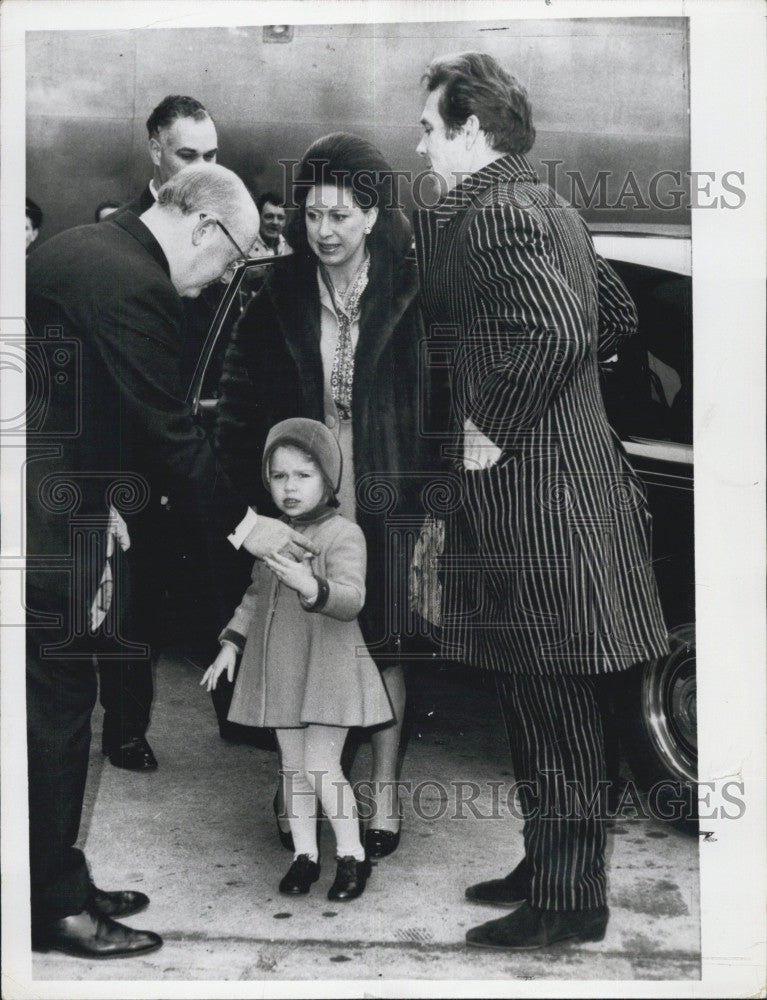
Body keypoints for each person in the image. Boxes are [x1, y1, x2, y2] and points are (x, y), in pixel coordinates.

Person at [26, 163, 318, 959]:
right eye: (229, 259)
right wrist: (247, 526)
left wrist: (109, 499)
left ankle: (51, 876)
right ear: (203, 227)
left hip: (54, 498)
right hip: (40, 527)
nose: (216, 280)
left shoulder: (80, 247)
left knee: (45, 707)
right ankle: (53, 908)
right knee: (54, 711)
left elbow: (79, 397)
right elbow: (168, 430)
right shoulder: (135, 285)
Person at [412, 52, 670, 950]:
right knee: (546, 696)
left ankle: (566, 903)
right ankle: (553, 862)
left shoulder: (493, 214)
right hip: (570, 492)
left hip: (535, 506)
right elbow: (614, 314)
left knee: (549, 700)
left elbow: (558, 327)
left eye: (429, 128)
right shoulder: (546, 202)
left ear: (471, 132)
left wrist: (494, 422)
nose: (420, 146)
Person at [214, 132, 434, 859]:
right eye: (311, 216)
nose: (323, 232)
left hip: (390, 493)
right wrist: (258, 502)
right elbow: (241, 401)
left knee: (385, 646)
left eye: (340, 216)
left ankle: (384, 795)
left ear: (372, 216)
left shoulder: (412, 285)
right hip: (302, 503)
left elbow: (442, 399)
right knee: (297, 641)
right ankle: (301, 781)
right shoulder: (275, 288)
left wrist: (434, 499)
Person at [203, 418, 393, 900]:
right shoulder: (271, 535)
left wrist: (311, 586)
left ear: (328, 480)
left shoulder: (343, 535)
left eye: (303, 475)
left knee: (322, 767)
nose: (289, 487)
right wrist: (231, 644)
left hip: (329, 669)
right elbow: (254, 594)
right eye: (279, 476)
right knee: (293, 769)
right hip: (283, 670)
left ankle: (352, 856)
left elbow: (350, 598)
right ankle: (304, 856)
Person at [100, 95, 221, 772]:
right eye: (186, 155)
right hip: (131, 448)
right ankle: (125, 726)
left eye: (210, 155)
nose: (201, 170)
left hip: (196, 439)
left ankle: (244, 717)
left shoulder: (222, 229)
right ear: (154, 151)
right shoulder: (123, 236)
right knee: (131, 599)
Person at [251, 191, 292, 257]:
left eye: (280, 218)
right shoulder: (246, 250)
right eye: (269, 216)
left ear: (285, 221)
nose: (275, 222)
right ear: (258, 218)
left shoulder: (291, 250)